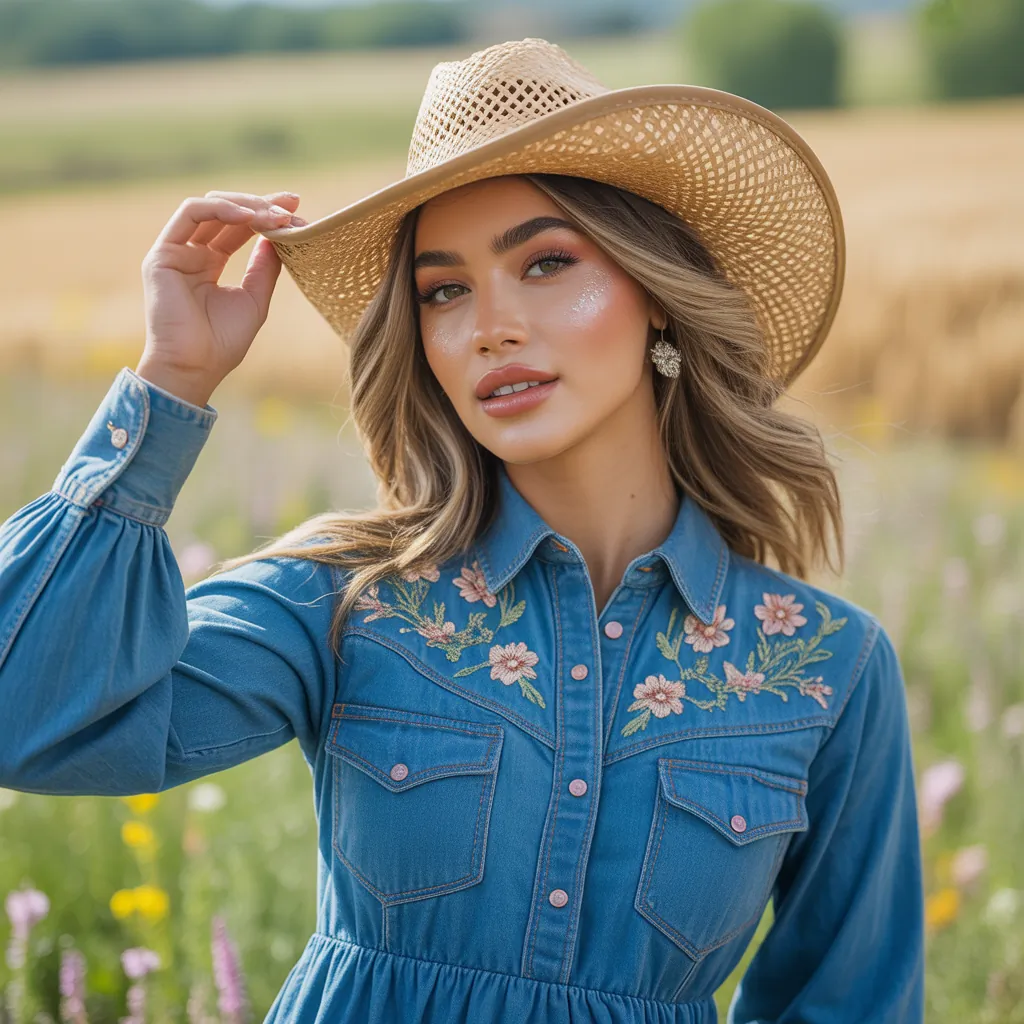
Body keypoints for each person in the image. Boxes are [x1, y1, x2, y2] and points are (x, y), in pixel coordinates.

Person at [0, 37, 924, 1024]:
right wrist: (170, 382)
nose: (490, 324)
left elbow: (852, 1003)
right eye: (444, 289)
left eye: (546, 263)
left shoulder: (824, 667)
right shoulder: (346, 598)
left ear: (656, 292)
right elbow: (25, 720)